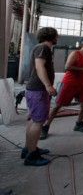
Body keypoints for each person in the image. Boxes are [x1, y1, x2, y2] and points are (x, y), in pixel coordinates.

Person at [23, 27, 58, 166]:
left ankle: (29, 148)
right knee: (38, 122)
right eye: (56, 35)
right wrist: (48, 86)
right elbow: (40, 67)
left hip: (36, 89)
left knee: (33, 120)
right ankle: (32, 156)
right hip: (38, 90)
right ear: (51, 36)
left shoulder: (41, 47)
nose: (58, 37)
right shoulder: (43, 48)